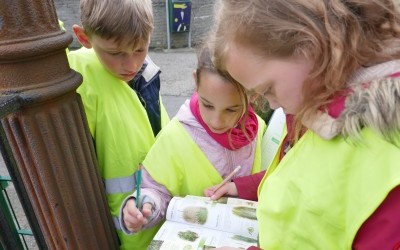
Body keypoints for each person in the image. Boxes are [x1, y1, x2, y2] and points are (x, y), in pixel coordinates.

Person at [204, 0, 400, 249]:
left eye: (268, 89)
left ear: (309, 44)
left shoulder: (387, 153)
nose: (272, 105)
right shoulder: (317, 109)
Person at [119, 43, 267, 244]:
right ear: (196, 81)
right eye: (208, 104)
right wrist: (144, 204)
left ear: (254, 95)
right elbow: (156, 190)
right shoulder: (175, 135)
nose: (216, 121)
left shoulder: (259, 128)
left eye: (231, 110)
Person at [67, 0, 169, 248]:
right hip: (115, 231)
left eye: (140, 49)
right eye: (115, 53)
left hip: (157, 213)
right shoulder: (77, 80)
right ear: (83, 37)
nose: (131, 65)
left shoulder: (146, 73)